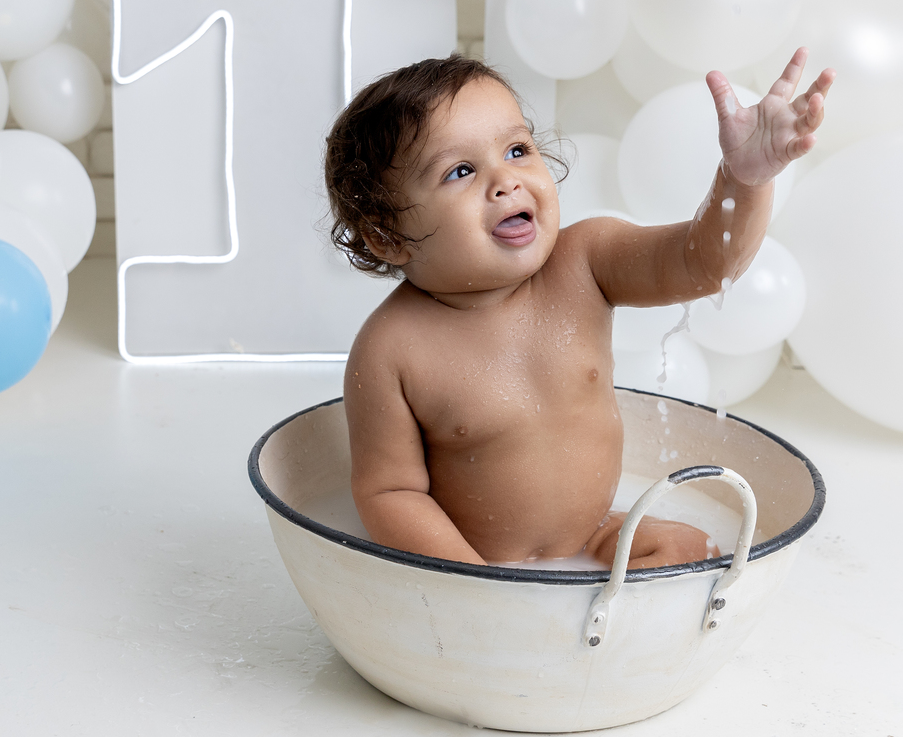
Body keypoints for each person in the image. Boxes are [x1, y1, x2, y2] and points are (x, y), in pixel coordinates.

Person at [324, 50, 833, 568]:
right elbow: (390, 494)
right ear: (387, 237)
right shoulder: (390, 349)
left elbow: (702, 263)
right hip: (475, 563)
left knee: (692, 550)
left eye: (518, 149)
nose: (506, 180)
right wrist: (474, 584)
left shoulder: (585, 261)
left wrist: (743, 181)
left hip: (595, 536)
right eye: (460, 171)